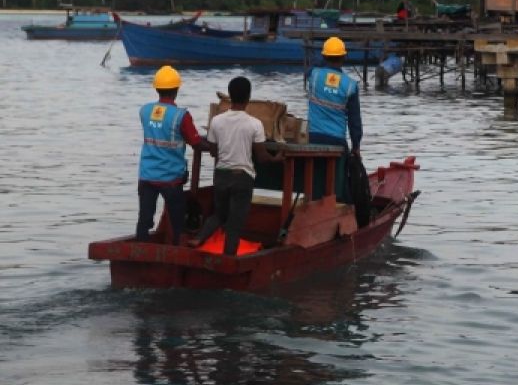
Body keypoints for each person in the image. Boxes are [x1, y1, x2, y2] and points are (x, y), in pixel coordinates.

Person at [193, 76, 284, 255]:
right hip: (242, 178)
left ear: (230, 95)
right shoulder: (254, 124)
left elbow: (213, 151)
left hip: (220, 175)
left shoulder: (217, 121)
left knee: (220, 215)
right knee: (235, 224)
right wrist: (277, 159)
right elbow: (262, 156)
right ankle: (228, 261)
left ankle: (199, 238)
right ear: (248, 97)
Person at [136, 65, 214, 244]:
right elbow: (196, 143)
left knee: (144, 219)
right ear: (176, 90)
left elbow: (158, 129)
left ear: (156, 88)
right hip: (170, 177)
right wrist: (215, 146)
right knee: (177, 219)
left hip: (147, 175)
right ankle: (176, 248)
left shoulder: (145, 111)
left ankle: (140, 249)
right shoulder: (181, 116)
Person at [306, 36, 363, 157]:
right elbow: (355, 122)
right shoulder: (351, 85)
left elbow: (313, 65)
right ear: (344, 57)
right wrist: (356, 146)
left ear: (324, 56)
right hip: (337, 141)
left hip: (313, 137)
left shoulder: (314, 75)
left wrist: (324, 57)